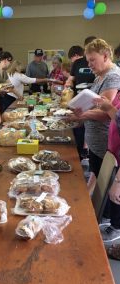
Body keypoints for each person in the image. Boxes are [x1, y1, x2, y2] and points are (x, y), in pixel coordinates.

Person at [71, 39, 120, 189]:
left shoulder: (113, 76)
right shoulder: (100, 75)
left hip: (105, 144)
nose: (89, 64)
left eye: (92, 60)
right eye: (88, 60)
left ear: (105, 56)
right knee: (96, 179)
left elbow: (106, 112)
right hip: (96, 143)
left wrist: (81, 115)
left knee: (106, 190)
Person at [93, 95, 120, 242]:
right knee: (113, 195)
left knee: (117, 196)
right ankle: (113, 224)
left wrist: (118, 181)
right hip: (115, 151)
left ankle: (116, 229)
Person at [65, 37, 97, 160]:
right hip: (78, 100)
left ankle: (87, 153)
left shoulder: (98, 63)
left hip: (93, 101)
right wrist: (68, 83)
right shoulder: (77, 63)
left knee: (90, 128)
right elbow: (71, 78)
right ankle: (80, 153)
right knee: (78, 128)